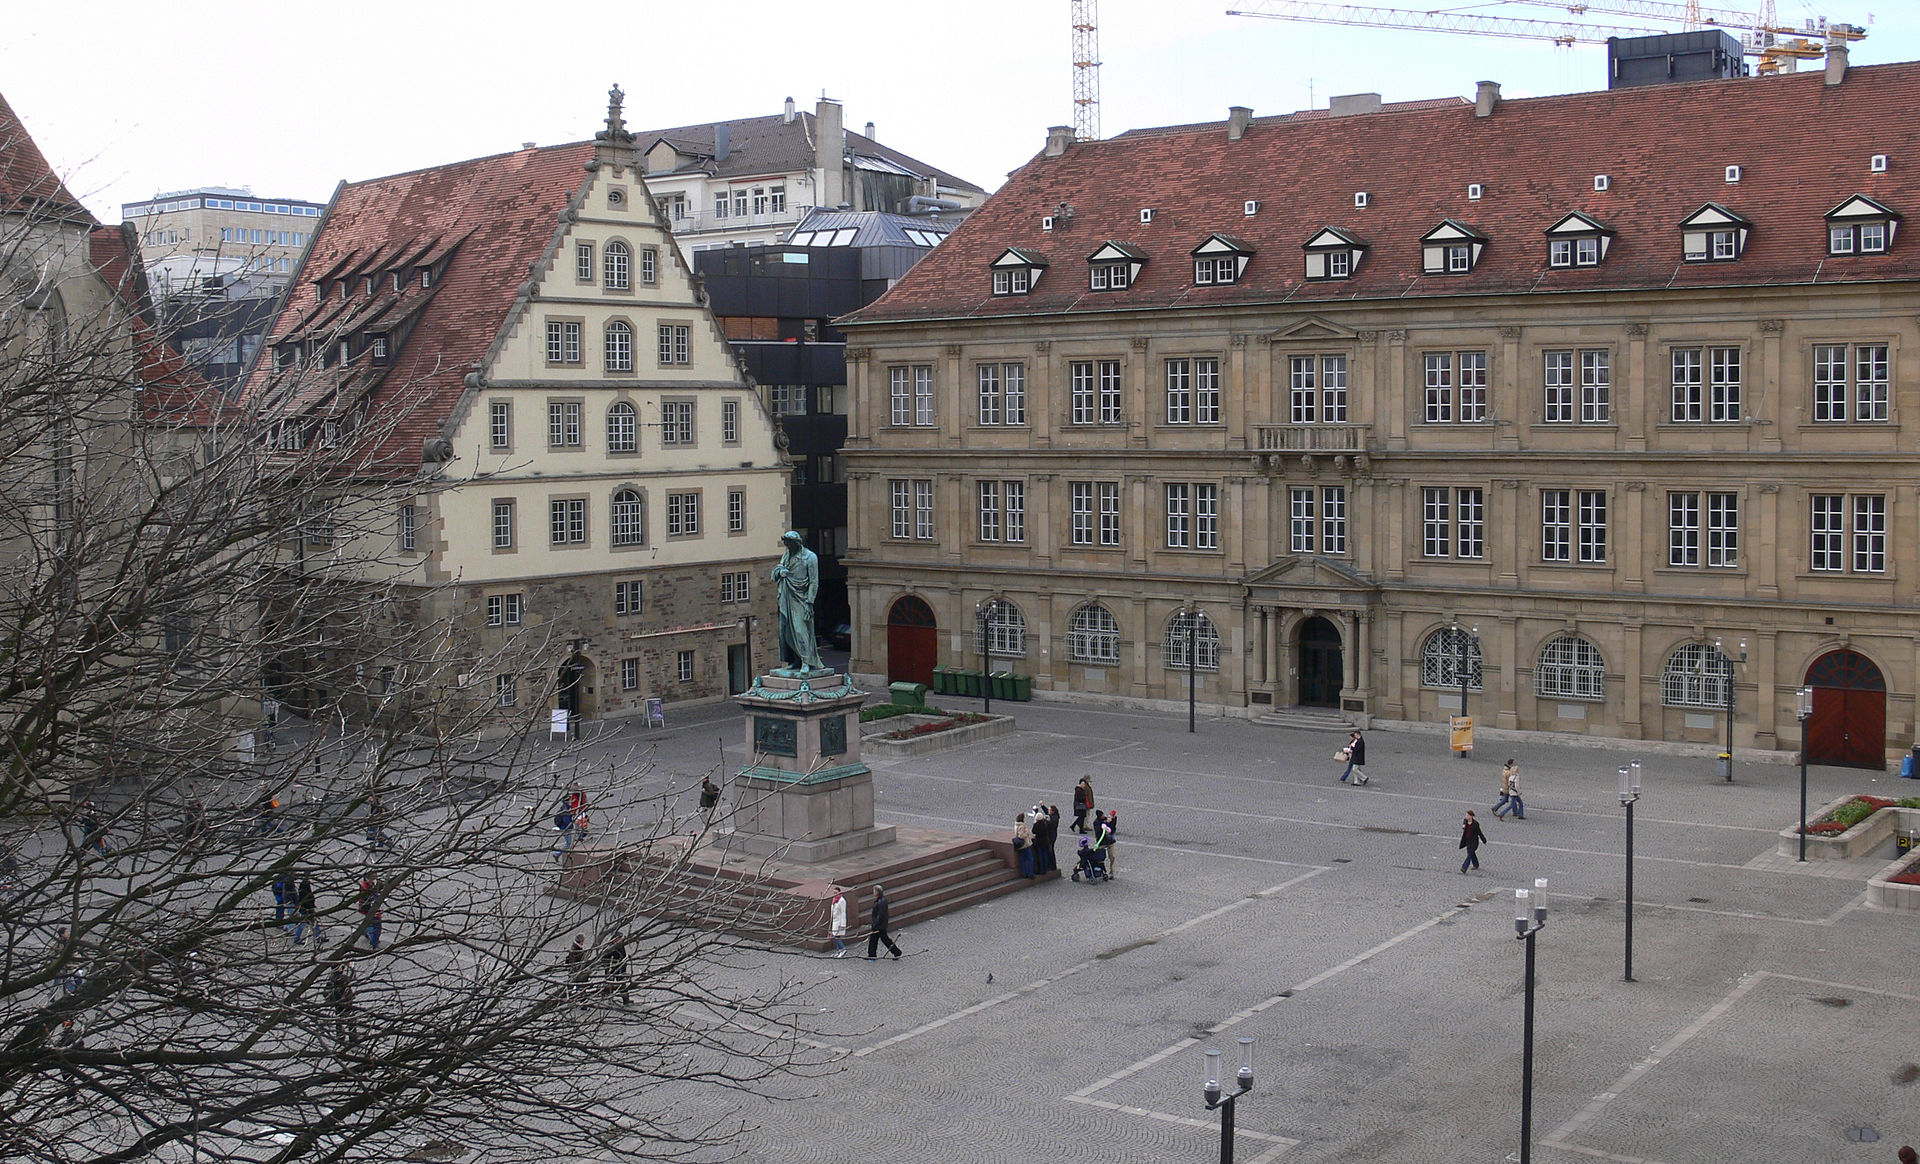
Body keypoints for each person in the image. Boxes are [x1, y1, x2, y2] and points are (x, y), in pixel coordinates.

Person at [771, 530, 823, 672]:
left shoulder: (810, 557)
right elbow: (777, 571)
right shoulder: (787, 555)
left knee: (800, 630)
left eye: (789, 544)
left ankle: (807, 661)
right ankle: (796, 660)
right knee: (786, 630)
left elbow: (814, 582)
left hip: (801, 598)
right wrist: (780, 572)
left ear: (797, 543)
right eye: (786, 545)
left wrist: (809, 602)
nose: (787, 547)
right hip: (786, 596)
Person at [865, 885, 902, 960]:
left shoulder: (880, 901)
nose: (873, 892)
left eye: (874, 891)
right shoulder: (881, 900)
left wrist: (875, 924)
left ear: (877, 892)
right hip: (880, 925)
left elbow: (880, 915)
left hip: (879, 926)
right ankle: (872, 955)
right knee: (875, 939)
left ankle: (896, 952)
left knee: (884, 940)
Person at [325, 961, 355, 1043]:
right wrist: (352, 968)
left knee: (340, 1021)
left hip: (340, 1002)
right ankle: (351, 1037)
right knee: (349, 1020)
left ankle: (341, 1037)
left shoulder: (331, 979)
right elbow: (352, 978)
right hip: (343, 1002)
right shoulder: (339, 978)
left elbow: (326, 993)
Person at [599, 933, 630, 1004]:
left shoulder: (620, 945)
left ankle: (625, 999)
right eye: (619, 938)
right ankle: (609, 998)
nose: (620, 939)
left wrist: (624, 963)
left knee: (622, 984)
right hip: (611, 969)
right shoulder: (609, 947)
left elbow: (623, 955)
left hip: (620, 968)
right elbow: (603, 958)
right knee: (609, 984)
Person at [293, 876, 321, 944]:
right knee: (304, 924)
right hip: (307, 909)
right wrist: (311, 907)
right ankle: (297, 939)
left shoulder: (303, 886)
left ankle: (318, 937)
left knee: (313, 922)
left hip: (306, 908)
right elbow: (308, 898)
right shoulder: (305, 887)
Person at [357, 877, 382, 950]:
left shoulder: (370, 884)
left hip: (371, 909)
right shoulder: (366, 887)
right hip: (370, 909)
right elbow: (368, 898)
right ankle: (374, 944)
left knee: (370, 923)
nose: (373, 879)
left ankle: (365, 930)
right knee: (376, 927)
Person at [564, 933, 590, 1000]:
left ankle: (573, 998)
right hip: (577, 970)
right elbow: (575, 960)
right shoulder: (576, 949)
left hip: (576, 969)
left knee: (575, 985)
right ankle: (580, 1000)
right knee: (579, 985)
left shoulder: (575, 947)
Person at [828, 885, 849, 957]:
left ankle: (843, 949)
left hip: (839, 921)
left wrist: (843, 924)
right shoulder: (834, 899)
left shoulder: (842, 901)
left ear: (839, 892)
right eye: (834, 893)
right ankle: (839, 950)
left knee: (836, 936)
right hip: (834, 921)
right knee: (836, 936)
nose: (835, 894)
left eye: (836, 892)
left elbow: (843, 912)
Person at [1013, 813, 1034, 878]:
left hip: (1021, 845)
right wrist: (1027, 833)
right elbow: (1021, 836)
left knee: (1023, 859)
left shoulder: (1016, 825)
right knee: (1030, 859)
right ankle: (1030, 873)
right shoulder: (1022, 826)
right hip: (1025, 844)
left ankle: (1024, 873)